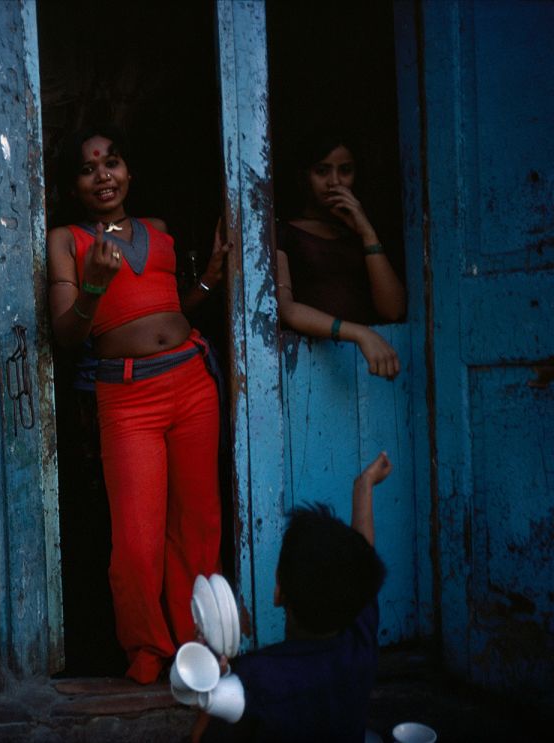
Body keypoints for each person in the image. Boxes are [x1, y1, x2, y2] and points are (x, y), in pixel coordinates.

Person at [46, 123, 228, 685]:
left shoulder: (160, 230)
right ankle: (149, 654)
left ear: (129, 172)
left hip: (191, 382)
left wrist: (213, 278)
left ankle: (200, 646)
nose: (103, 175)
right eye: (88, 167)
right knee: (136, 539)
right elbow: (66, 335)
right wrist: (94, 285)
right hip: (127, 398)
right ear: (73, 185)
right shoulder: (67, 240)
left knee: (197, 525)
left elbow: (172, 311)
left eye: (112, 162)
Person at [189, 452, 391, 743]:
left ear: (278, 594)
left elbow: (201, 739)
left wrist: (214, 688)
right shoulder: (359, 646)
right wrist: (364, 486)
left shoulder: (255, 678)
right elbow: (362, 562)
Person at [275, 132, 406, 379]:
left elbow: (394, 310)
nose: (334, 182)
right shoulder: (283, 232)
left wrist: (367, 232)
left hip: (374, 369)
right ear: (304, 176)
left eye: (345, 170)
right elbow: (286, 309)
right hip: (309, 370)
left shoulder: (363, 233)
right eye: (322, 171)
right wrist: (359, 333)